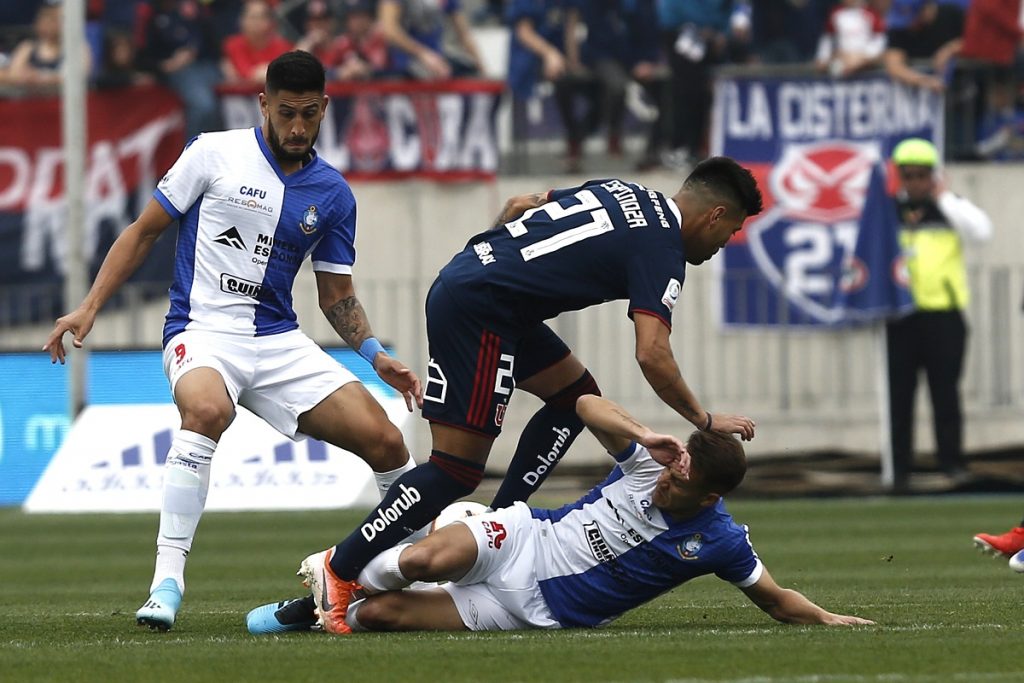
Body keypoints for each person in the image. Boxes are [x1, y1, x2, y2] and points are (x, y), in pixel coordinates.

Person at [295, 156, 764, 635]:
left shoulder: (625, 190)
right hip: (486, 310)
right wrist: (704, 420)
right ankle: (340, 567)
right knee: (456, 469)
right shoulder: (663, 247)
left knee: (575, 398)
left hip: (484, 291)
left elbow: (521, 205)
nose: (723, 245)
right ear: (715, 215)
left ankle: (498, 519)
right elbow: (652, 354)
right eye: (730, 233)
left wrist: (497, 260)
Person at [42, 50, 423, 632]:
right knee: (206, 410)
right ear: (263, 104)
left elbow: (336, 295)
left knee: (388, 442)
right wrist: (89, 306)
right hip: (202, 331)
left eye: (309, 115)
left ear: (325, 108)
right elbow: (143, 232)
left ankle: (417, 570)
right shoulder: (212, 153)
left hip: (278, 342)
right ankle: (166, 582)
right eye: (287, 113)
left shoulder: (334, 193)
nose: (297, 127)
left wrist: (376, 355)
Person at [247, 395, 873, 634]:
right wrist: (648, 435)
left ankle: (324, 605)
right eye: (675, 464)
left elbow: (774, 600)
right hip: (525, 538)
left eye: (683, 478)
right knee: (426, 560)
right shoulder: (652, 463)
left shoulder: (719, 540)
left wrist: (828, 618)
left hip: (539, 612)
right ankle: (333, 574)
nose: (669, 477)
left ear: (708, 496)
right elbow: (585, 404)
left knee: (380, 617)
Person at [885, 138, 992, 493]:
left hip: (944, 316)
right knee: (899, 397)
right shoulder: (888, 211)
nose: (916, 181)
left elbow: (982, 231)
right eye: (909, 175)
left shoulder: (950, 207)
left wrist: (943, 197)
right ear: (900, 176)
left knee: (945, 394)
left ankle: (952, 465)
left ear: (934, 175)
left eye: (922, 175)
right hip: (901, 317)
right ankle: (899, 470)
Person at [377, 0, 483, 80]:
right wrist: (422, 54)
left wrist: (481, 68)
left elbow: (464, 34)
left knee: (469, 72)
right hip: (403, 62)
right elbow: (389, 30)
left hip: (437, 61)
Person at [6, 0, 92, 90]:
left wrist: (41, 77)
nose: (49, 24)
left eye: (55, 19)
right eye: (45, 18)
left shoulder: (78, 48)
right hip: (32, 97)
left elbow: (79, 76)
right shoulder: (28, 47)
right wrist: (25, 76)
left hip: (61, 96)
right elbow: (13, 75)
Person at [222, 0, 295, 85]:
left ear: (270, 22)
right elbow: (247, 74)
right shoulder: (233, 45)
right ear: (241, 21)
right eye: (252, 17)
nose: (256, 22)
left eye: (261, 17)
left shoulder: (283, 46)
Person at [814, 0, 887, 78]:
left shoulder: (870, 13)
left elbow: (879, 40)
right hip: (842, 63)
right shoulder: (835, 14)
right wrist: (823, 58)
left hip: (866, 64)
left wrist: (863, 57)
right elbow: (828, 40)